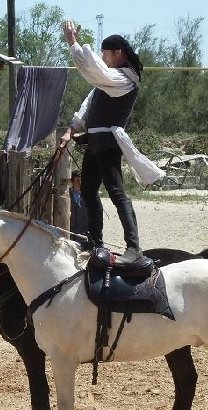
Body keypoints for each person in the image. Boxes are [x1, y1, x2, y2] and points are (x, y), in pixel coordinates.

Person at [60, 20, 145, 264]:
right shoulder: (105, 81)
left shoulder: (125, 78)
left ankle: (133, 248)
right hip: (95, 141)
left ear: (117, 53)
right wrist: (70, 131)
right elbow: (87, 107)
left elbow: (98, 73)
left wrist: (73, 43)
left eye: (105, 52)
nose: (102, 56)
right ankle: (95, 243)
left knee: (117, 192)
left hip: (108, 141)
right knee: (87, 190)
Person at [68, 170, 89, 247]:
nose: (80, 183)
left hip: (84, 231)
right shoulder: (67, 195)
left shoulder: (87, 195)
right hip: (70, 231)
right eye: (77, 180)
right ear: (72, 181)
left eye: (81, 180)